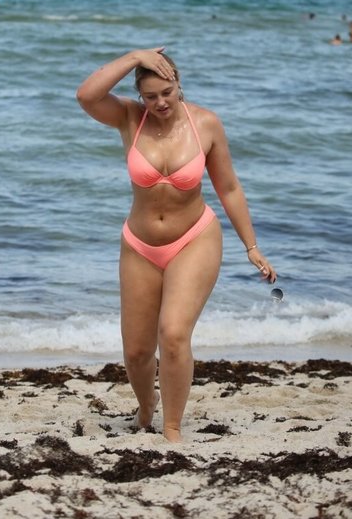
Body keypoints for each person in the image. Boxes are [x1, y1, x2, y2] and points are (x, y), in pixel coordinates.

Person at [76, 47, 277, 442]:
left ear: (178, 84)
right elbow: (86, 95)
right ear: (140, 95)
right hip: (139, 246)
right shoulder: (129, 117)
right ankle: (146, 406)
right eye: (150, 96)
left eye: (167, 93)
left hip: (194, 239)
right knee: (136, 351)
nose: (160, 103)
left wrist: (251, 246)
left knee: (172, 334)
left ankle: (172, 429)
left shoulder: (206, 124)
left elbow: (229, 188)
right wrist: (134, 57)